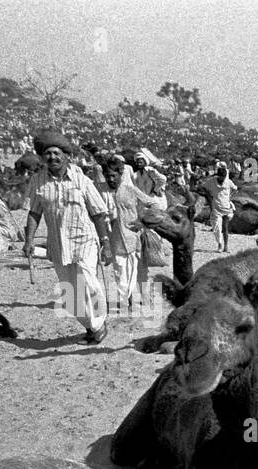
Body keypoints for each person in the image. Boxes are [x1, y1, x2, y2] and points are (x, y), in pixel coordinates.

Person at [22, 129, 112, 344]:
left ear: (67, 156)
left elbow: (98, 212)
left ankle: (99, 324)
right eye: (48, 154)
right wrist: (29, 240)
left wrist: (105, 242)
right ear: (43, 157)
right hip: (58, 244)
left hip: (84, 240)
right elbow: (34, 212)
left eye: (57, 153)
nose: (52, 157)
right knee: (70, 291)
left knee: (88, 281)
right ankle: (91, 326)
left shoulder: (81, 180)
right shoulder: (38, 181)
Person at [98, 155, 159, 317]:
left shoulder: (130, 189)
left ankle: (128, 304)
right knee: (120, 274)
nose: (111, 179)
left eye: (114, 175)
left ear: (120, 174)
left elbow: (153, 204)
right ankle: (125, 302)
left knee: (133, 273)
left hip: (133, 238)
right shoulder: (100, 191)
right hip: (114, 240)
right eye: (107, 176)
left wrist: (143, 221)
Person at [208, 162, 234, 253]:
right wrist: (209, 195)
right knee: (217, 228)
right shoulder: (212, 181)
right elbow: (203, 187)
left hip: (226, 208)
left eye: (223, 178)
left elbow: (235, 188)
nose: (222, 179)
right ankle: (219, 244)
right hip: (216, 209)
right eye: (221, 178)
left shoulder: (228, 182)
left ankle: (226, 246)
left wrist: (230, 196)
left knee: (225, 228)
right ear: (218, 176)